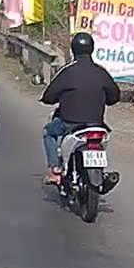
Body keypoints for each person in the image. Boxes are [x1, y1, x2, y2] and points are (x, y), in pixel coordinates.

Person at [39, 31, 121, 185]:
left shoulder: (68, 71)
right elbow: (115, 96)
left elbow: (49, 96)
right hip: (97, 125)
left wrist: (50, 98)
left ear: (73, 49)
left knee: (48, 132)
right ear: (92, 49)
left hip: (69, 124)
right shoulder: (101, 72)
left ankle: (54, 170)